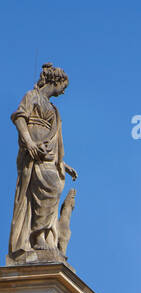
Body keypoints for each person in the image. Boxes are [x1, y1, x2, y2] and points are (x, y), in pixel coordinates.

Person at [8, 63, 77, 263]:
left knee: (55, 187)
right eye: (63, 86)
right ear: (55, 81)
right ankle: (37, 236)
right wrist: (29, 142)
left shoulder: (54, 109)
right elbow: (20, 118)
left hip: (48, 157)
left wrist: (62, 164)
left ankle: (42, 235)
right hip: (32, 154)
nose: (63, 92)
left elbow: (56, 140)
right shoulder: (32, 96)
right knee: (47, 190)